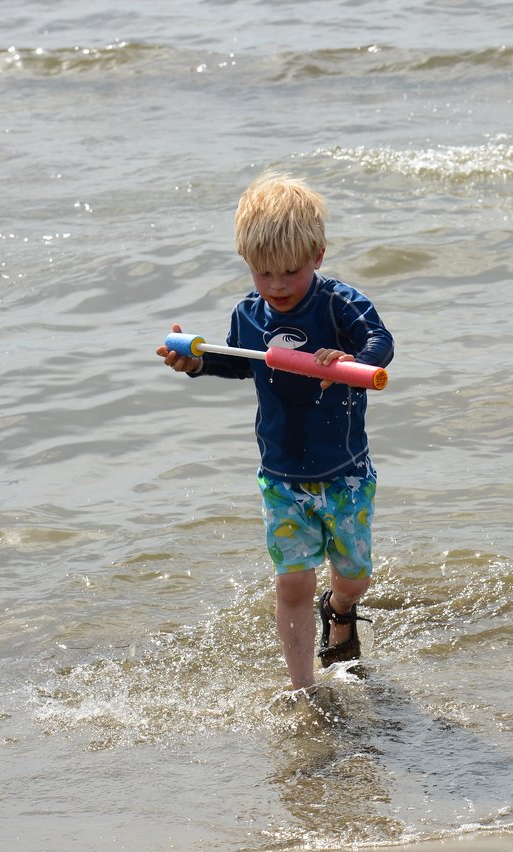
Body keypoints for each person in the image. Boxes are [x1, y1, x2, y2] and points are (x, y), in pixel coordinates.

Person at [156, 171, 394, 693]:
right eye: (264, 274)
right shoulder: (250, 313)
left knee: (354, 576)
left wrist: (353, 360)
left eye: (290, 271)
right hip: (282, 477)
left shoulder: (338, 304)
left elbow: (380, 343)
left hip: (345, 473)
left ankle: (339, 608)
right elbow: (240, 363)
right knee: (291, 582)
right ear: (248, 264)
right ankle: (303, 686)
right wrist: (194, 363)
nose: (278, 286)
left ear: (318, 255)